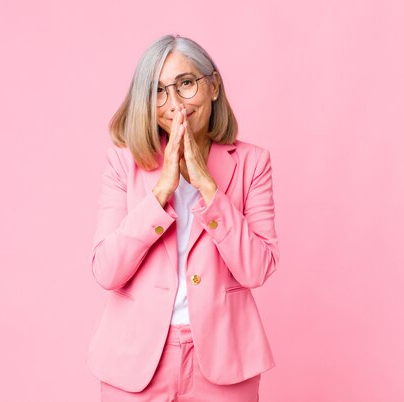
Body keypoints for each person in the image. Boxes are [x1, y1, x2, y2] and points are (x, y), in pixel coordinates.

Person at [86, 34, 279, 402]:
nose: (173, 104)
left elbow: (257, 268)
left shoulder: (253, 163)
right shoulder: (123, 163)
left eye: (185, 84)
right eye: (158, 91)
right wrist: (161, 192)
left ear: (214, 86)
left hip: (225, 361)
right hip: (134, 363)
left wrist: (208, 188)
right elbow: (106, 271)